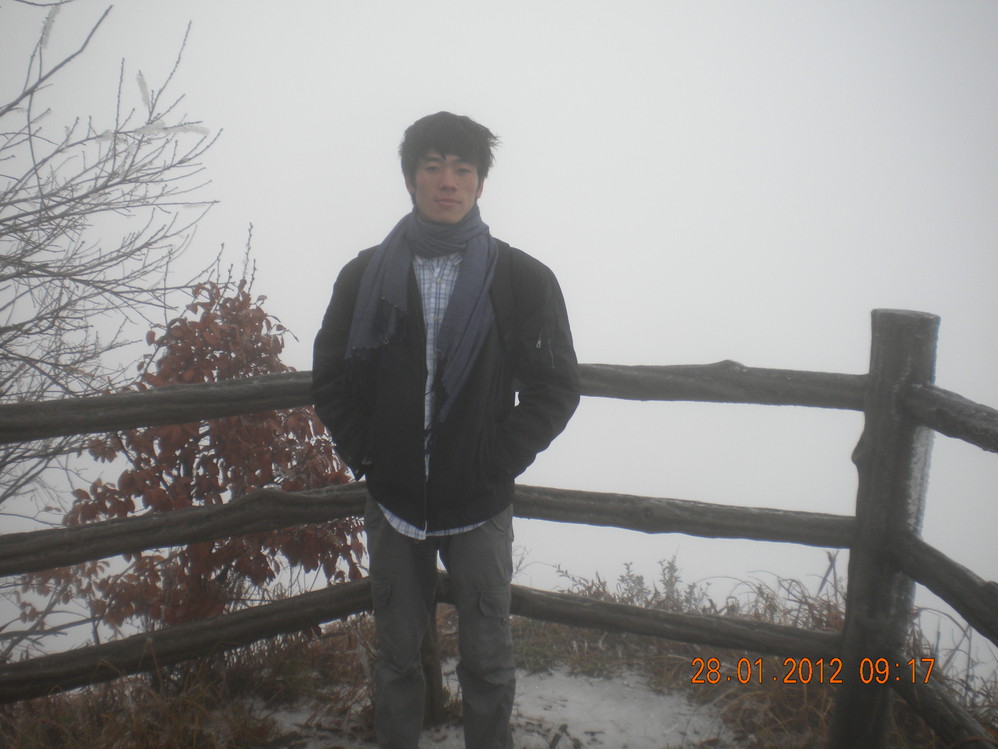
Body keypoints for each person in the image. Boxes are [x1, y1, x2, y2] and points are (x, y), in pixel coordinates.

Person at [312, 111, 580, 749]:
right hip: (394, 500)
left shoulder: (521, 279)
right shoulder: (364, 276)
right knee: (398, 657)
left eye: (463, 168)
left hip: (479, 502)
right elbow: (331, 379)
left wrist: (495, 458)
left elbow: (554, 388)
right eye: (433, 167)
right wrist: (369, 456)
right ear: (411, 180)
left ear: (481, 182)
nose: (448, 181)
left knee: (487, 660)